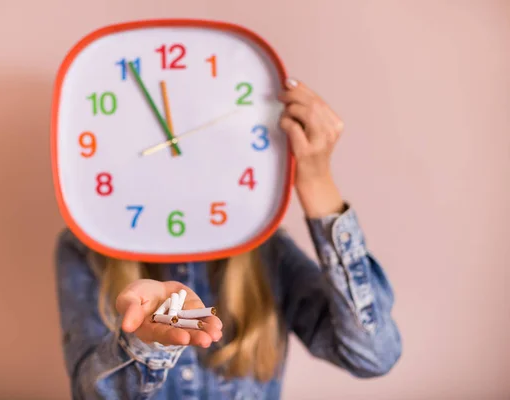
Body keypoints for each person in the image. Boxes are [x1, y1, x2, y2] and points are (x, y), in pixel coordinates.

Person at [55, 77, 402, 399]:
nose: (177, 155)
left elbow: (371, 355)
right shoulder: (83, 249)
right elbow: (89, 393)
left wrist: (316, 182)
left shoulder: (266, 249)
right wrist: (144, 342)